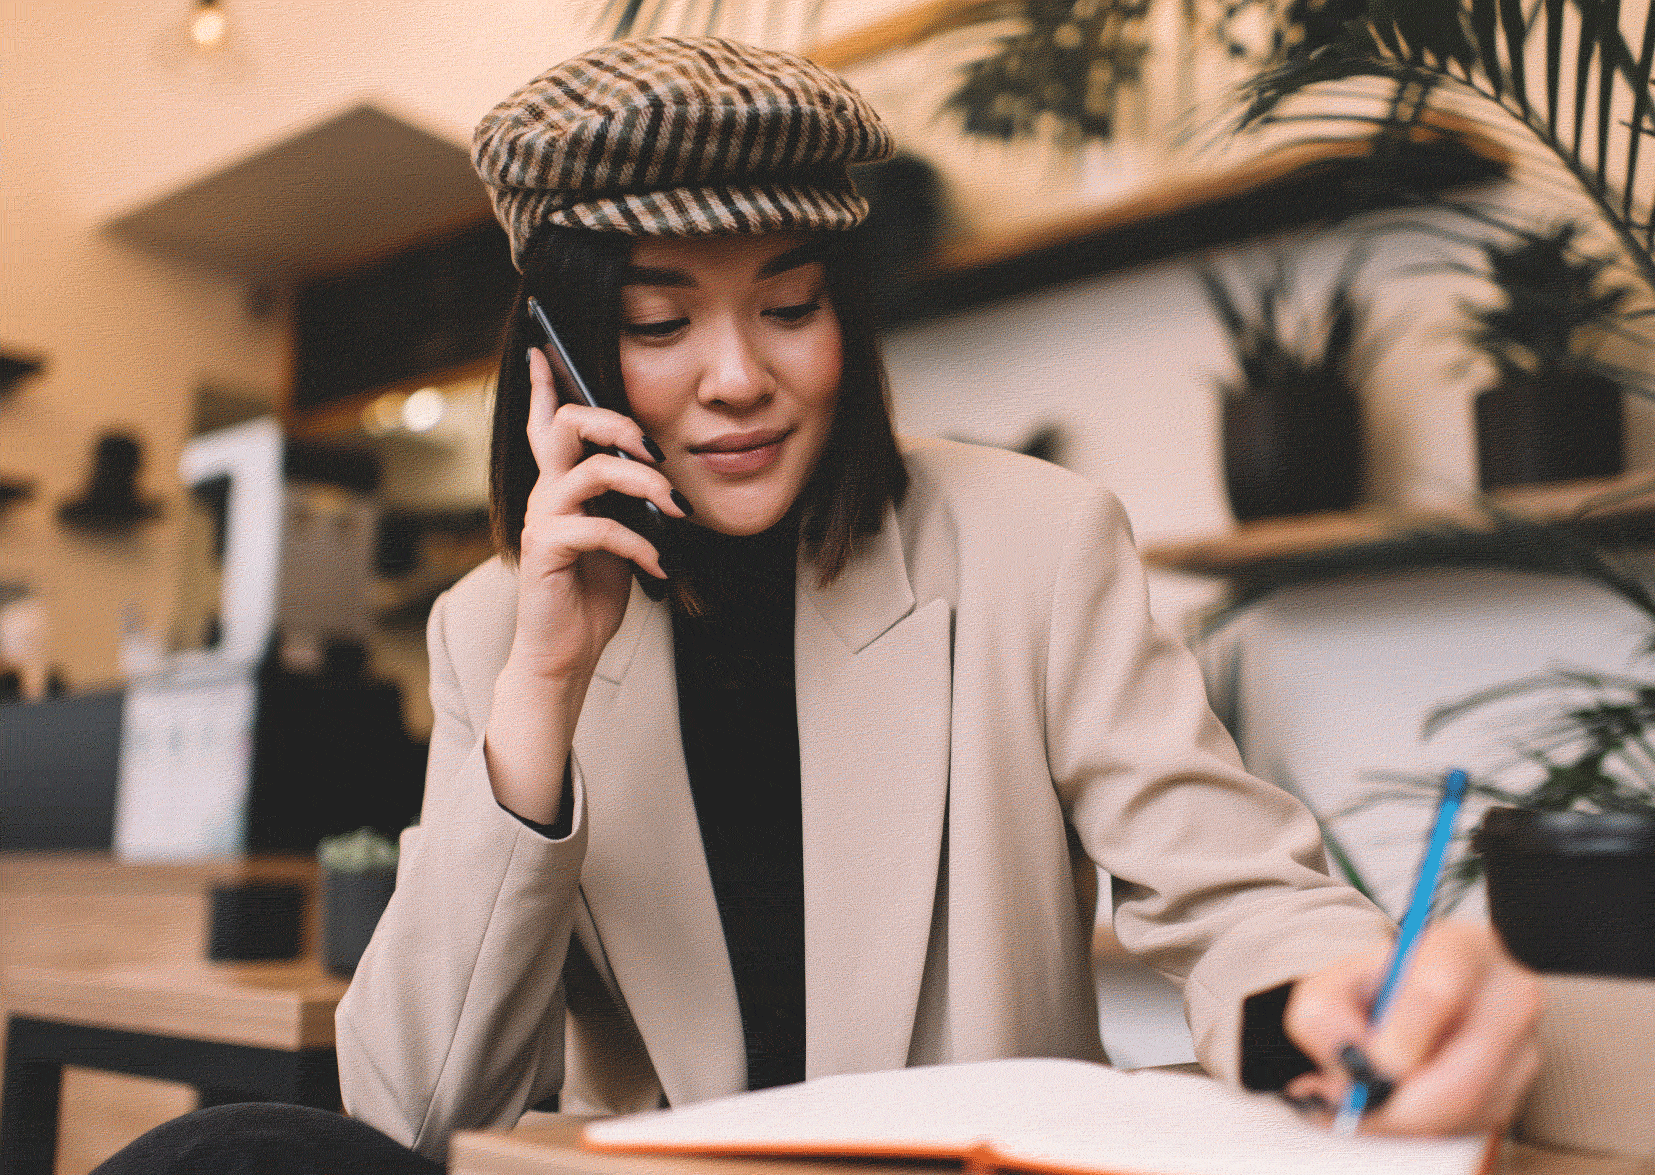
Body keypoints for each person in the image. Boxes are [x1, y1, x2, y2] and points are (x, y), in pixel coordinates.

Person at [92, 35, 1540, 1175]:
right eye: (657, 324)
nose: (738, 375)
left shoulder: (1031, 547)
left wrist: (1342, 999)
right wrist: (541, 694)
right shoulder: (494, 632)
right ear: (565, 363)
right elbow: (407, 1112)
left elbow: (1241, 895)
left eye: (789, 306)